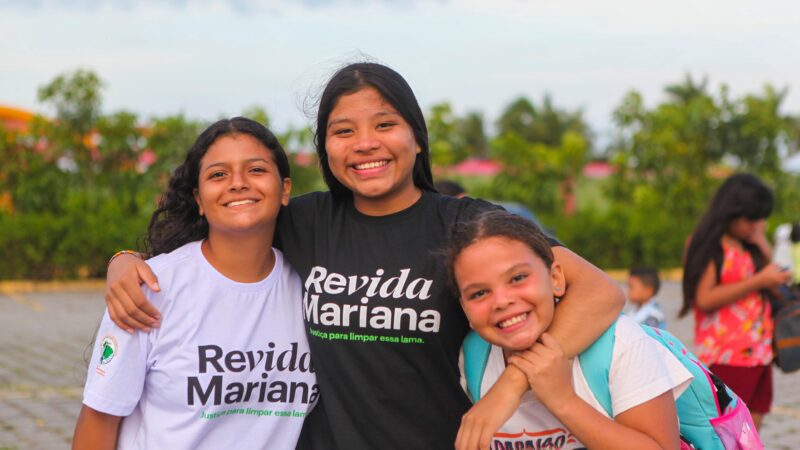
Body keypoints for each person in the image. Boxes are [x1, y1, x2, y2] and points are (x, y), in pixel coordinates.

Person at [104, 62, 624, 449]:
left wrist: (512, 385)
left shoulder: (464, 224)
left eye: (384, 124)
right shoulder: (305, 221)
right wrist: (124, 258)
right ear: (325, 148)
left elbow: (600, 291)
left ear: (416, 138)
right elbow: (224, 226)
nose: (365, 144)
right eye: (343, 131)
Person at [72, 118, 317, 449]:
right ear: (199, 199)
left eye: (256, 170)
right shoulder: (148, 288)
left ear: (285, 189)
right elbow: (99, 422)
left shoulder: (314, 287)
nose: (238, 183)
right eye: (218, 174)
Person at [448, 210, 690, 450]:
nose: (501, 301)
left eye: (518, 277)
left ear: (555, 278)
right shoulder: (473, 358)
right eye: (479, 293)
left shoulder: (620, 344)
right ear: (464, 309)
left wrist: (562, 400)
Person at [681, 173, 791, 430]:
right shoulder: (712, 247)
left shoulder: (748, 245)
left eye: (761, 219)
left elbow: (773, 287)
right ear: (731, 211)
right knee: (728, 428)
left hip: (760, 352)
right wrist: (758, 280)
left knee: (753, 423)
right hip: (728, 354)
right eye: (751, 219)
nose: (757, 225)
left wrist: (763, 246)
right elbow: (704, 299)